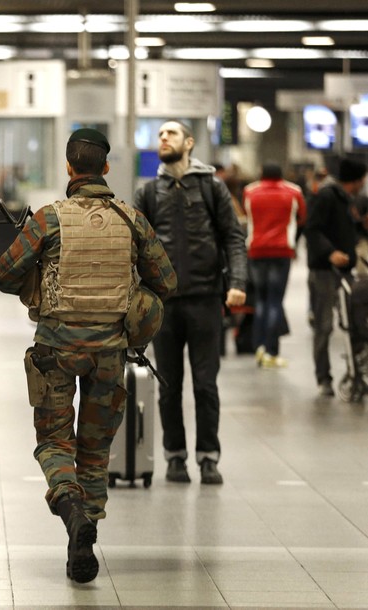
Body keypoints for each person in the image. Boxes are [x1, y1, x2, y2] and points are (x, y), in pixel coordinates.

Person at [0, 129, 176, 584]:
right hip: (110, 354)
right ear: (107, 168)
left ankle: (70, 506)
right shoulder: (131, 218)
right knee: (96, 450)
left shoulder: (48, 219)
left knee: (55, 441)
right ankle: (86, 534)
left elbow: (3, 275)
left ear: (69, 168)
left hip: (55, 350)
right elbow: (167, 281)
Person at [133, 119, 247, 486]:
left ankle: (208, 456)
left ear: (190, 143)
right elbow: (135, 246)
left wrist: (238, 282)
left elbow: (232, 237)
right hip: (164, 303)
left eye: (171, 133)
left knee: (205, 384)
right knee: (168, 384)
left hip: (205, 299)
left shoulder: (211, 187)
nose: (163, 138)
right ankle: (175, 456)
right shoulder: (148, 191)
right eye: (160, 134)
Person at [304, 158, 368, 397]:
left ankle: (355, 371)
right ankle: (324, 378)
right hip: (324, 271)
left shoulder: (345, 198)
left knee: (354, 322)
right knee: (324, 325)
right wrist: (330, 253)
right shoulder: (326, 195)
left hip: (344, 272)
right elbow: (312, 228)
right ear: (356, 179)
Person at [243, 163, 307, 369]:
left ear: (261, 173)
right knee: (275, 301)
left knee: (260, 300)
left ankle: (259, 347)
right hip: (281, 251)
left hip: (256, 250)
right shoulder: (294, 191)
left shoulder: (250, 191)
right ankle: (271, 351)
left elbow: (248, 216)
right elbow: (302, 217)